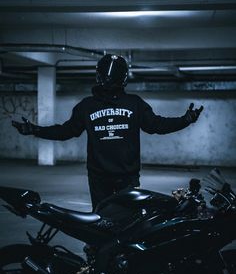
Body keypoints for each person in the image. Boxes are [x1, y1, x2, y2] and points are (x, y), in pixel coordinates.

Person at [12, 54, 203, 209]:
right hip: (106, 177)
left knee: (111, 220)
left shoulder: (104, 105)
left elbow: (66, 131)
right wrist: (36, 130)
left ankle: (104, 253)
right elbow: (157, 126)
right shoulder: (122, 104)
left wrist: (35, 130)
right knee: (114, 221)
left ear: (98, 76)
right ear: (125, 78)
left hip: (117, 177)